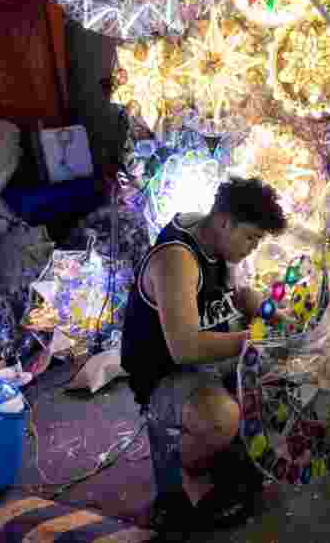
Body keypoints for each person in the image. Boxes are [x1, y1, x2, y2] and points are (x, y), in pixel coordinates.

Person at [121, 177, 288, 531]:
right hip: (164, 371)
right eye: (251, 239)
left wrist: (275, 316)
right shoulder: (177, 259)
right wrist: (254, 339)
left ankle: (218, 452)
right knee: (222, 418)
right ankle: (184, 461)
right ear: (226, 222)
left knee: (287, 374)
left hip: (208, 359)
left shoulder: (216, 236)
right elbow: (185, 348)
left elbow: (240, 294)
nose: (252, 248)